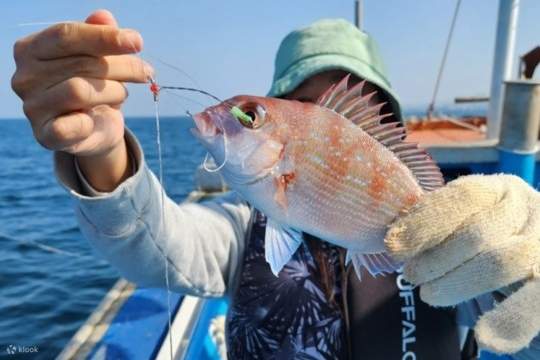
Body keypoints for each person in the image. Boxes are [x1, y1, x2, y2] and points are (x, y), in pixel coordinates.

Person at [11, 9, 540, 359]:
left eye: (364, 113)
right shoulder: (246, 226)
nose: (331, 128)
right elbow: (159, 247)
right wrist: (104, 153)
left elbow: (514, 312)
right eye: (304, 104)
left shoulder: (444, 228)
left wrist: (525, 256)